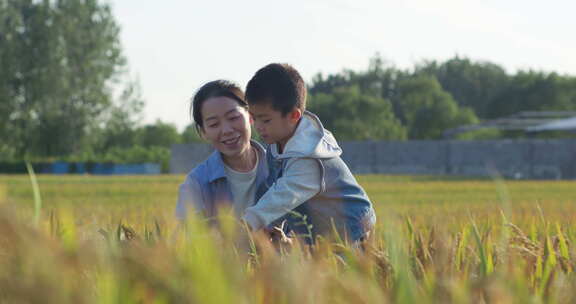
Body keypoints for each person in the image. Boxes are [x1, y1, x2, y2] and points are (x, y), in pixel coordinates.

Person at [242, 63, 376, 243]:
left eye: (265, 120)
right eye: (254, 118)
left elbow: (284, 196)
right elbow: (273, 190)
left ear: (294, 116)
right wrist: (270, 225)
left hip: (350, 230)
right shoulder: (277, 145)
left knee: (341, 270)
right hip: (322, 230)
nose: (258, 127)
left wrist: (247, 223)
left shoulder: (308, 156)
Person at [175, 80, 269, 222]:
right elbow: (190, 238)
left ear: (250, 116)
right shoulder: (196, 185)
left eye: (233, 117)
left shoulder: (282, 170)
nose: (226, 130)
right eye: (214, 124)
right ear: (203, 132)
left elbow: (305, 232)